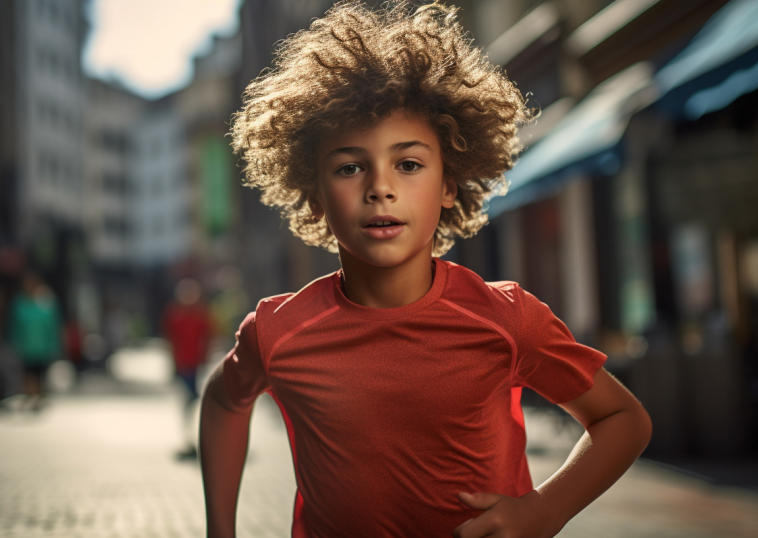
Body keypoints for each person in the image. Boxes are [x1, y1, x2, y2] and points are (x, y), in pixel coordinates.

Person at [200, 1, 652, 536]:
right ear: (314, 195)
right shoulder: (277, 332)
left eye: (408, 164)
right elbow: (224, 403)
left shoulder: (506, 319)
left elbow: (624, 420)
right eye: (349, 167)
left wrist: (545, 509)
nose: (380, 186)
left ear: (447, 185)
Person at [163, 278, 213, 460]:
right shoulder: (175, 315)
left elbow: (208, 336)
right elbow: (170, 341)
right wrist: (172, 363)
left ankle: (196, 438)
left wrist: (206, 356)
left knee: (192, 399)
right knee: (190, 398)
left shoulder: (200, 314)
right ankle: (190, 438)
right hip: (183, 364)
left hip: (197, 363)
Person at [8, 273, 61, 412]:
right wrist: (14, 341)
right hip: (26, 347)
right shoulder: (19, 304)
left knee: (39, 374)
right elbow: (14, 325)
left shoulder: (46, 303)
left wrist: (54, 343)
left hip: (42, 347)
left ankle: (38, 397)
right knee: (28, 373)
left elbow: (52, 325)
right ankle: (31, 396)